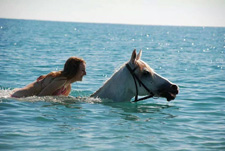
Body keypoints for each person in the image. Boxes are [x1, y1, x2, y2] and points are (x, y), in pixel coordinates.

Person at [11, 57, 86, 98]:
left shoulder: (68, 86)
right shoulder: (61, 80)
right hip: (17, 97)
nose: (85, 73)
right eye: (82, 70)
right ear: (74, 71)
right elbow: (40, 97)